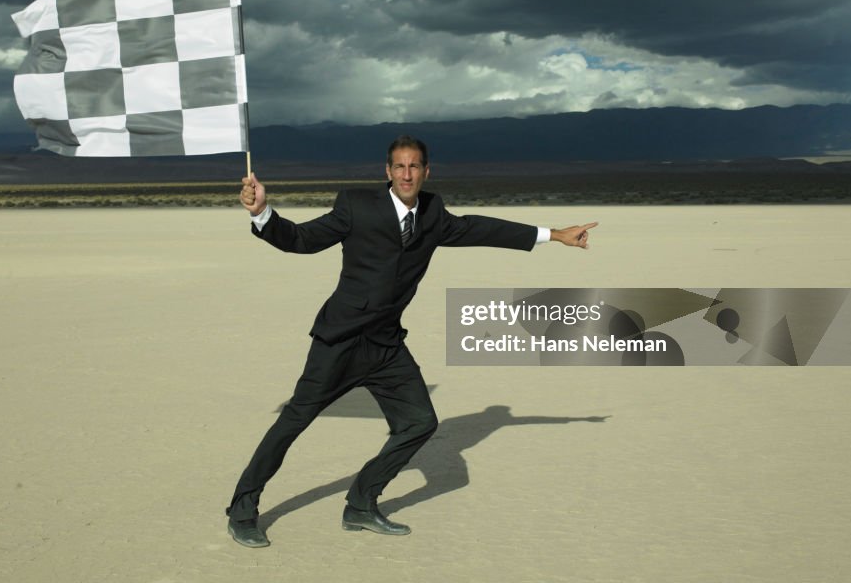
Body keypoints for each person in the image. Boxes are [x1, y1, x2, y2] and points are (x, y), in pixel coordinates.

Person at [226, 135, 597, 548]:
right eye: (399, 167)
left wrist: (555, 235)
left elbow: (480, 227)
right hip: (340, 341)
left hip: (386, 347)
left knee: (419, 423)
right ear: (387, 172)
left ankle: (361, 504)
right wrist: (263, 213)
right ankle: (242, 510)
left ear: (425, 172)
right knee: (293, 422)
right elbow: (302, 239)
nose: (406, 174)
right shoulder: (357, 205)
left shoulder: (433, 212)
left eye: (414, 166)